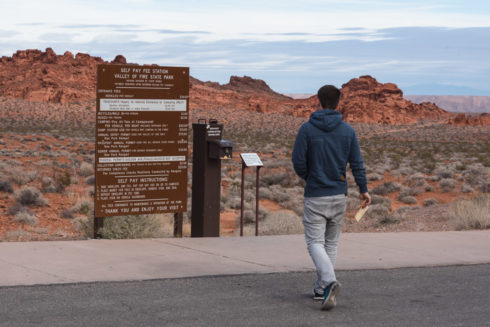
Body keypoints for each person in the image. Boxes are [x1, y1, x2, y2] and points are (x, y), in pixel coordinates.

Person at [292, 84, 371, 311]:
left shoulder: (307, 129)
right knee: (331, 243)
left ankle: (329, 281)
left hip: (316, 194)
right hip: (339, 193)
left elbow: (298, 161)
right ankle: (321, 287)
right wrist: (363, 189)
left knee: (315, 242)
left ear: (318, 100)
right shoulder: (347, 131)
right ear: (338, 102)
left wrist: (311, 177)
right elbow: (357, 163)